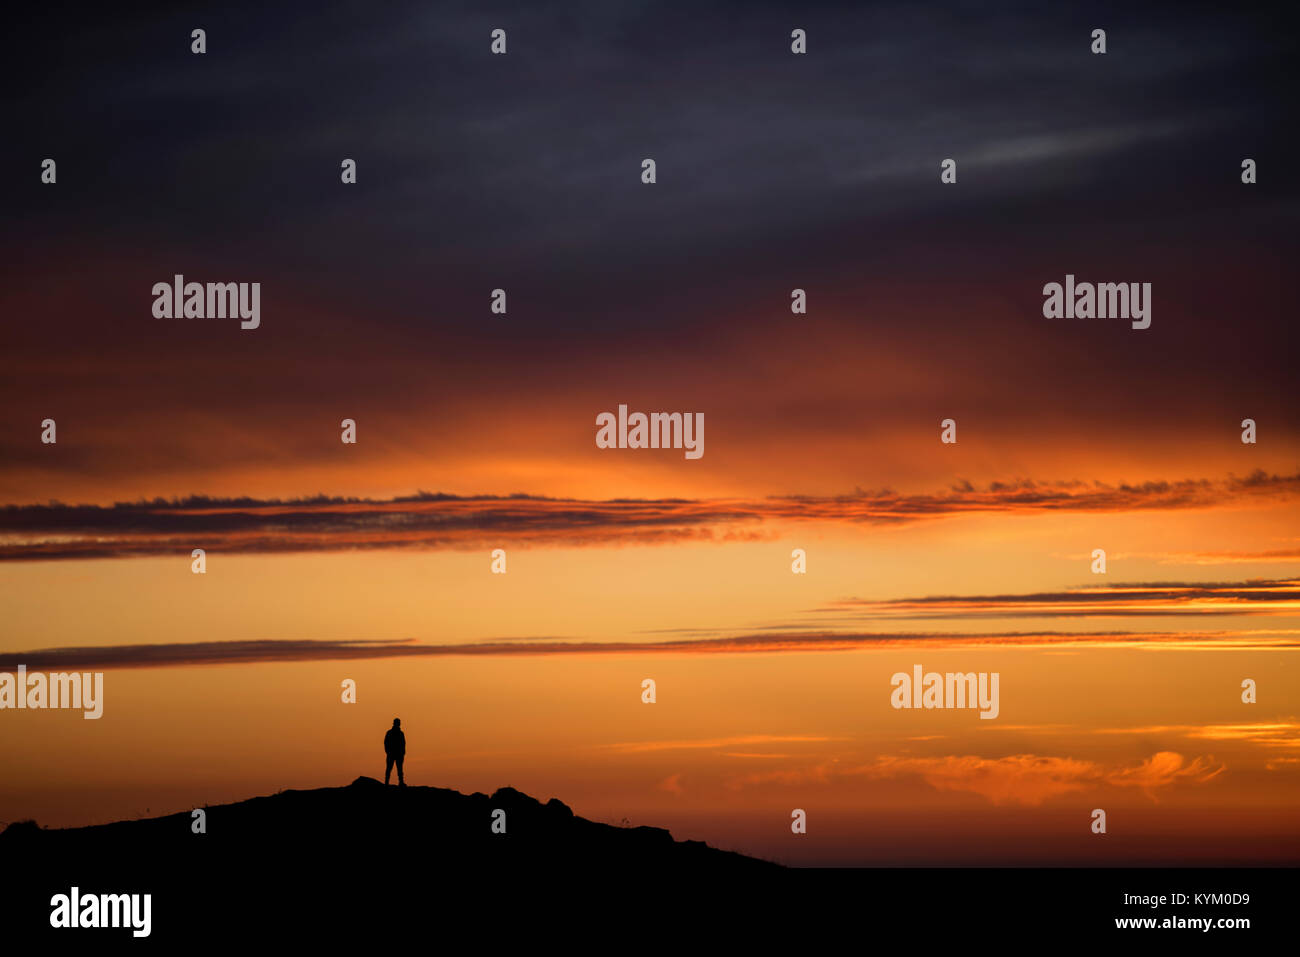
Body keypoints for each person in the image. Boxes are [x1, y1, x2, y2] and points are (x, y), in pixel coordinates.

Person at [384, 718, 406, 786]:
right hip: (392, 754)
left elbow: (403, 744)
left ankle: (400, 782)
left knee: (399, 769)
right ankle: (387, 782)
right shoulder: (390, 733)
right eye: (398, 722)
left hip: (398, 754)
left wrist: (403, 752)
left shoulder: (400, 733)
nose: (399, 724)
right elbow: (386, 743)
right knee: (389, 769)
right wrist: (388, 752)